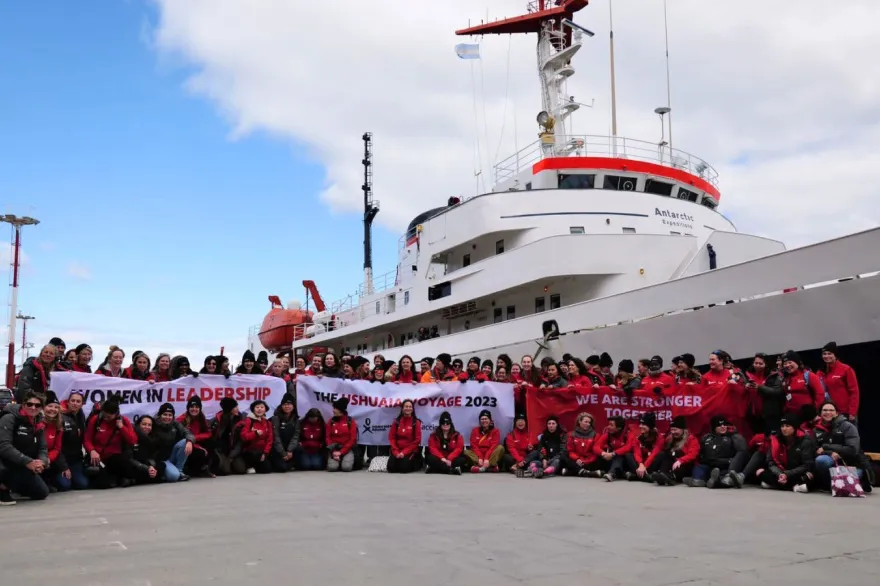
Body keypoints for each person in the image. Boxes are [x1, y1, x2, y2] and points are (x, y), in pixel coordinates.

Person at [0, 391, 50, 504]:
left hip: (22, 463)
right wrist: (28, 462)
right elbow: (4, 446)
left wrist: (42, 462)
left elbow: (43, 448)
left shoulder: (39, 422)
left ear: (41, 408)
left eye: (37, 405)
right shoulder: (9, 418)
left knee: (41, 493)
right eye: (29, 404)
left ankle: (12, 485)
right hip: (5, 461)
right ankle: (3, 488)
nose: (33, 407)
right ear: (23, 404)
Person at [83, 397, 138, 489]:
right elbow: (86, 439)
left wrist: (121, 427)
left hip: (114, 457)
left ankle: (121, 477)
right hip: (98, 457)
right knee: (102, 484)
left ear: (116, 414)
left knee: (124, 461)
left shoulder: (124, 421)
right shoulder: (96, 420)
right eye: (104, 415)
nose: (106, 418)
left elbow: (133, 440)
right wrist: (92, 450)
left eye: (109, 416)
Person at [811, 401, 863, 490]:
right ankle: (830, 484)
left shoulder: (847, 426)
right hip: (829, 460)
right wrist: (830, 453)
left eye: (831, 410)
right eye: (825, 410)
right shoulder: (816, 429)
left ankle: (836, 484)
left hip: (850, 464)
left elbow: (853, 449)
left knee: (855, 476)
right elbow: (814, 449)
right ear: (820, 413)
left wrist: (830, 449)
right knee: (821, 460)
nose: (828, 413)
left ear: (836, 413)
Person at [686, 416, 748, 489]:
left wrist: (729, 461)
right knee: (699, 468)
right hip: (710, 464)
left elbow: (741, 453)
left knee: (722, 474)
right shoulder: (706, 437)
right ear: (714, 427)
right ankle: (698, 480)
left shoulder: (732, 437)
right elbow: (701, 453)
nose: (723, 427)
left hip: (725, 465)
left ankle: (715, 482)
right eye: (719, 425)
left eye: (724, 425)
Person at [757, 413, 814, 493]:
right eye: (782, 426)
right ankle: (792, 486)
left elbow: (807, 465)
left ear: (794, 428)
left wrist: (787, 474)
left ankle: (777, 485)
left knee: (809, 476)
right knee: (760, 472)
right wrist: (780, 474)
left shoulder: (805, 440)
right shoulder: (775, 439)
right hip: (781, 471)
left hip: (796, 472)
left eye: (787, 426)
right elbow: (771, 462)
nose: (784, 429)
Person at [152, 403, 195, 482]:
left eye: (170, 415)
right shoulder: (153, 424)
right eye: (165, 414)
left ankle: (179, 470)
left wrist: (189, 441)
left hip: (171, 456)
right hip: (160, 460)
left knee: (185, 441)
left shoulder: (175, 424)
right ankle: (169, 473)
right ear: (160, 415)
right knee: (173, 477)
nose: (167, 417)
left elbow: (188, 433)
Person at [650, 416, 699, 486]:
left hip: (685, 465)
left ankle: (671, 477)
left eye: (675, 430)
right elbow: (660, 445)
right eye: (672, 430)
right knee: (664, 455)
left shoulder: (691, 439)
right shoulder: (670, 438)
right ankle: (661, 474)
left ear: (682, 429)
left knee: (680, 464)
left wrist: (681, 460)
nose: (673, 432)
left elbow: (693, 454)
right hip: (673, 463)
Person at [817, 342, 859, 421]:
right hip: (828, 414)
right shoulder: (820, 372)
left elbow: (854, 392)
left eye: (829, 354)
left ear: (835, 355)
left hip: (845, 413)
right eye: (824, 354)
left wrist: (852, 412)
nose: (826, 356)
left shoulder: (846, 369)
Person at [232, 400, 274, 474]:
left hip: (262, 452)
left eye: (262, 407)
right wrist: (255, 433)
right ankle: (248, 465)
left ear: (265, 410)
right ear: (253, 409)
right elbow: (244, 437)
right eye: (257, 407)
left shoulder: (268, 423)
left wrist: (265, 453)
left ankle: (256, 465)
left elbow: (269, 440)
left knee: (267, 469)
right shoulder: (248, 420)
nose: (259, 409)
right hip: (249, 451)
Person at [59, 390, 89, 490]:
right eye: (73, 401)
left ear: (82, 404)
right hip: (61, 459)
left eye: (78, 401)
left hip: (76, 459)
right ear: (68, 402)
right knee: (65, 486)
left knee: (82, 484)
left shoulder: (81, 415)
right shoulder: (60, 416)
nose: (75, 403)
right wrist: (63, 466)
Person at [177, 396, 213, 477]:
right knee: (200, 453)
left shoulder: (201, 418)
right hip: (186, 444)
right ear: (188, 408)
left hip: (195, 442)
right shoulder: (181, 420)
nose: (194, 409)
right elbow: (183, 438)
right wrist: (198, 446)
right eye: (192, 407)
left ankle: (204, 468)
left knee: (212, 443)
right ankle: (191, 469)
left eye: (197, 407)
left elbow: (208, 433)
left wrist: (195, 437)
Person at [41, 391, 67, 492]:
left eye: (56, 407)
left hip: (48, 460)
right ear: (43, 407)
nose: (53, 409)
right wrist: (42, 459)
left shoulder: (58, 426)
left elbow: (57, 448)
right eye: (50, 406)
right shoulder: (37, 423)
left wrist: (48, 459)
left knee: (64, 485)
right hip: (35, 458)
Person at [387, 399, 423, 473]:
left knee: (404, 468)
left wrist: (404, 452)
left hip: (410, 451)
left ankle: (418, 462)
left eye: (410, 407)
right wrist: (396, 452)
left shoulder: (416, 422)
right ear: (402, 408)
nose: (408, 408)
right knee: (390, 468)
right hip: (397, 450)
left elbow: (417, 441)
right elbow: (392, 438)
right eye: (406, 406)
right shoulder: (396, 421)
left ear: (412, 409)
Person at [593, 416, 632, 481]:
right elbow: (596, 447)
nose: (608, 427)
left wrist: (613, 454)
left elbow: (628, 448)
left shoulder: (628, 434)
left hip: (625, 462)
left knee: (619, 456)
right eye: (609, 424)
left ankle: (612, 473)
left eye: (611, 425)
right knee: (599, 455)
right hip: (612, 459)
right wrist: (603, 453)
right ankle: (618, 473)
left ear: (619, 428)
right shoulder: (607, 435)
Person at [628, 412, 664, 482]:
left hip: (650, 464)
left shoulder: (659, 438)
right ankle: (645, 477)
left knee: (662, 454)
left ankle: (638, 475)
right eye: (640, 424)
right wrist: (641, 464)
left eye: (643, 424)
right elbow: (637, 452)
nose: (640, 426)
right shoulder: (638, 436)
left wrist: (645, 466)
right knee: (628, 455)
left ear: (650, 427)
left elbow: (654, 454)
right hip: (640, 464)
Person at [130, 415, 167, 484]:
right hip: (137, 465)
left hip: (149, 465)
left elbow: (154, 457)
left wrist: (152, 468)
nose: (147, 427)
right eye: (144, 424)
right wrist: (146, 468)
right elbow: (130, 458)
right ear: (138, 425)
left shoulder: (155, 438)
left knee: (162, 466)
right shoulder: (132, 437)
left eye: (149, 425)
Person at [562, 412, 599, 477]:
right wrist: (577, 459)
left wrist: (586, 461)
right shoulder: (571, 434)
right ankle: (586, 472)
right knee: (563, 455)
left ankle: (572, 472)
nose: (588, 424)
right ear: (579, 421)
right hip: (576, 461)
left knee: (600, 457)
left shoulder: (595, 435)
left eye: (589, 422)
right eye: (586, 422)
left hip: (589, 461)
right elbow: (571, 451)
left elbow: (595, 452)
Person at [270, 393, 301, 472]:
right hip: (278, 448)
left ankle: (292, 462)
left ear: (293, 406)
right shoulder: (275, 418)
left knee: (299, 449)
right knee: (282, 468)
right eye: (285, 404)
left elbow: (296, 436)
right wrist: (283, 453)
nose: (287, 406)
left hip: (290, 447)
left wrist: (290, 450)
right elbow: (275, 436)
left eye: (289, 404)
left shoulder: (296, 419)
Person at [212, 397, 242, 476]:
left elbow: (240, 441)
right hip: (221, 449)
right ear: (229, 409)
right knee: (225, 471)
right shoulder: (217, 419)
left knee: (241, 469)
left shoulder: (241, 419)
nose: (237, 409)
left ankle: (230, 462)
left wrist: (232, 455)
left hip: (235, 449)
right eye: (235, 407)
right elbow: (214, 437)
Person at [326, 397, 357, 472]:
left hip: (347, 448)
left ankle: (344, 459)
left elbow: (353, 438)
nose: (333, 410)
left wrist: (341, 452)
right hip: (334, 448)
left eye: (335, 409)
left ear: (340, 411)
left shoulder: (350, 421)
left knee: (346, 468)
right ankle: (337, 460)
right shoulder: (331, 421)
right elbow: (328, 437)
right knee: (332, 468)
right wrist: (333, 451)